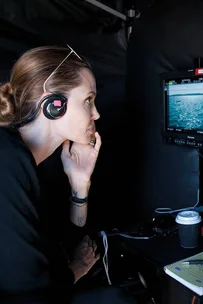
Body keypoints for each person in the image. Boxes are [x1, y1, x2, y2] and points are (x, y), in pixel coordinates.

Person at [0, 44, 102, 301]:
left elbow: (64, 242)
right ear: (53, 104)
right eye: (88, 100)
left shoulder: (34, 162)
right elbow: (27, 289)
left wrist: (80, 185)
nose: (96, 114)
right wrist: (76, 270)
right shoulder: (8, 161)